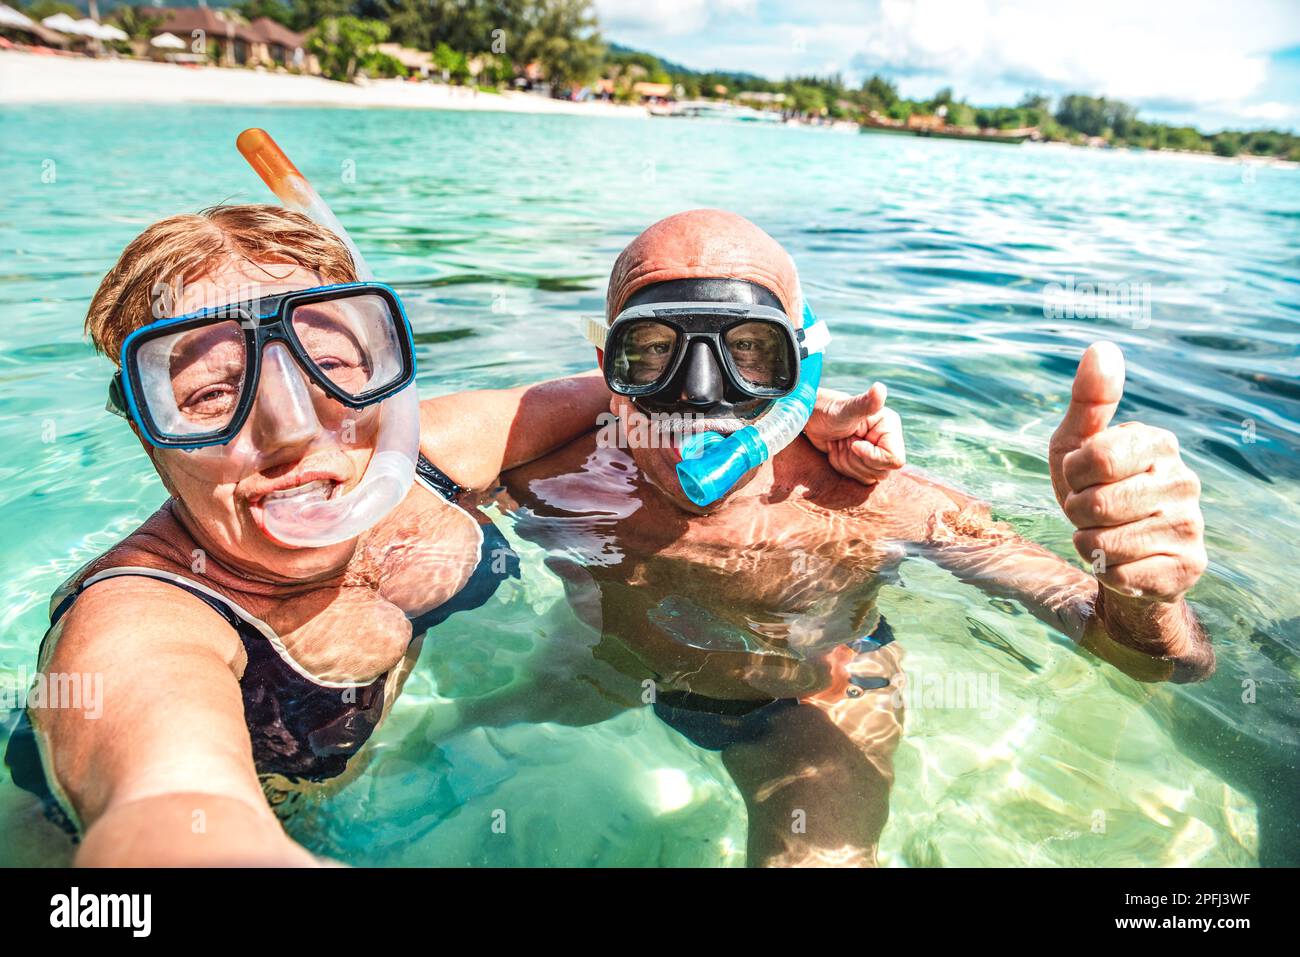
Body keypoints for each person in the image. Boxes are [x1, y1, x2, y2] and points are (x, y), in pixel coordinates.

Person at [5, 204, 899, 866]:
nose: (291, 431)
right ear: (146, 432)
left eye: (334, 368)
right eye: (206, 395)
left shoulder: (427, 451)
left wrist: (783, 408)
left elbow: (621, 381)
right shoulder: (140, 621)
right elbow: (170, 807)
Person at [493, 208, 1213, 867]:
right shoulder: (553, 476)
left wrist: (1143, 592)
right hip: (611, 655)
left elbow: (1153, 661)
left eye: (749, 350)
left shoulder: (877, 503)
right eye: (651, 351)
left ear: (798, 370)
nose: (699, 393)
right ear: (605, 369)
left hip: (809, 699)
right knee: (465, 728)